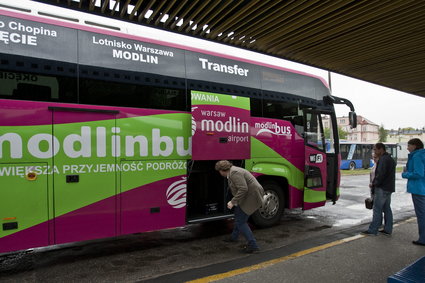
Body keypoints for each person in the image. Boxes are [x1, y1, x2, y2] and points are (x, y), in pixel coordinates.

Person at [215, 160, 264, 253]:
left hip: (252, 196)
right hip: (247, 196)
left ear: (222, 170)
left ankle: (253, 245)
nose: (219, 173)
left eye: (219, 171)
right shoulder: (232, 172)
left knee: (241, 222)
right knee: (238, 215)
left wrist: (233, 202)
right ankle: (234, 237)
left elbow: (243, 188)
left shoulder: (234, 173)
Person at [362, 143, 396, 236]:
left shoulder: (383, 160)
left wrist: (374, 184)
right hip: (389, 187)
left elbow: (380, 175)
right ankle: (388, 229)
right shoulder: (390, 159)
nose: (374, 152)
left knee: (377, 209)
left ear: (381, 149)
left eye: (375, 149)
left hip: (382, 188)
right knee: (387, 209)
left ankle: (373, 230)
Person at [401, 138, 425, 246]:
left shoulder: (417, 156)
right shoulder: (421, 155)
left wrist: (405, 174)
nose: (407, 148)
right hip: (421, 188)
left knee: (421, 215)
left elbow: (418, 174)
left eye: (409, 145)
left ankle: (423, 239)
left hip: (418, 189)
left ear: (415, 146)